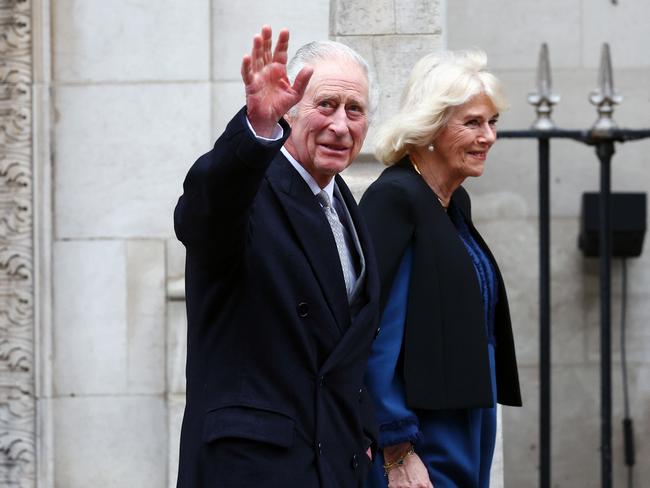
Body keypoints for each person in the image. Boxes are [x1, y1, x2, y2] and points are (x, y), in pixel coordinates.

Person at [174, 25, 381, 487]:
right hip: (253, 469)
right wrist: (256, 129)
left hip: (332, 465)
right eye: (325, 105)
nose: (340, 125)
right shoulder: (250, 189)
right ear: (290, 109)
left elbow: (347, 351)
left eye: (355, 110)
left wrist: (364, 431)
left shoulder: (343, 202)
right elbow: (203, 211)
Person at [359, 50, 522, 488]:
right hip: (424, 433)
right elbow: (376, 337)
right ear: (429, 127)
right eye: (472, 123)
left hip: (467, 418)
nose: (488, 137)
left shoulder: (452, 203)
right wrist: (397, 449)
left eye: (492, 123)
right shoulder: (396, 198)